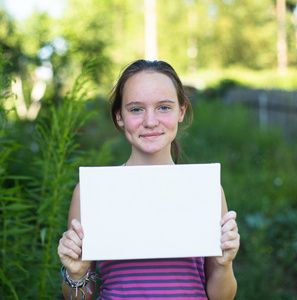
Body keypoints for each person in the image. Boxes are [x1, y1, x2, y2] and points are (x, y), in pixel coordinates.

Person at [57, 60, 240, 300]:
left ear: (181, 112)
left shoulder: (206, 191)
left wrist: (224, 265)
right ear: (119, 116)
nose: (150, 121)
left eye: (164, 107)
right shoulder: (92, 193)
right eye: (136, 109)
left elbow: (222, 297)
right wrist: (77, 273)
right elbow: (78, 297)